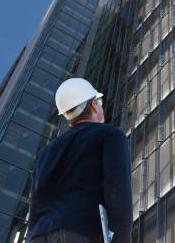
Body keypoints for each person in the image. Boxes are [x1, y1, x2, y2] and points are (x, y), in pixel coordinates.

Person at [27, 78, 133, 243]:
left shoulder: (43, 154)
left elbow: (35, 205)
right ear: (93, 105)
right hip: (81, 232)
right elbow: (117, 191)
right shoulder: (109, 135)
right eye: (100, 103)